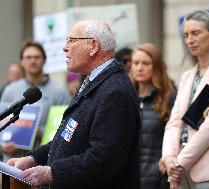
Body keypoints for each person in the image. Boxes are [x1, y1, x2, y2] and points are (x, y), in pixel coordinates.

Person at [6, 20, 141, 189]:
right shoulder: (94, 82)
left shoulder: (115, 91)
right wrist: (32, 159)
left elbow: (104, 160)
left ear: (93, 46)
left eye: (71, 40)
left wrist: (52, 173)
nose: (65, 47)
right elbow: (67, 140)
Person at [162, 10, 209, 189]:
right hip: (179, 169)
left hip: (208, 168)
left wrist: (179, 162)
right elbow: (174, 122)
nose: (189, 40)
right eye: (186, 35)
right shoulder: (187, 75)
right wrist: (169, 157)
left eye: (195, 33)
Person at [0, 41, 71, 162]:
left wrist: (36, 131)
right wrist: (2, 145)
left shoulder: (60, 91)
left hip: (44, 162)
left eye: (37, 57)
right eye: (28, 57)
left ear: (44, 60)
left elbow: (67, 127)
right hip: (12, 161)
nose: (33, 61)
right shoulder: (10, 89)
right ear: (21, 61)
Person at [130, 43, 176, 189]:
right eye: (136, 63)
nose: (139, 67)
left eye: (146, 63)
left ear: (156, 66)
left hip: (159, 179)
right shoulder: (125, 97)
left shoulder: (169, 96)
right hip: (129, 179)